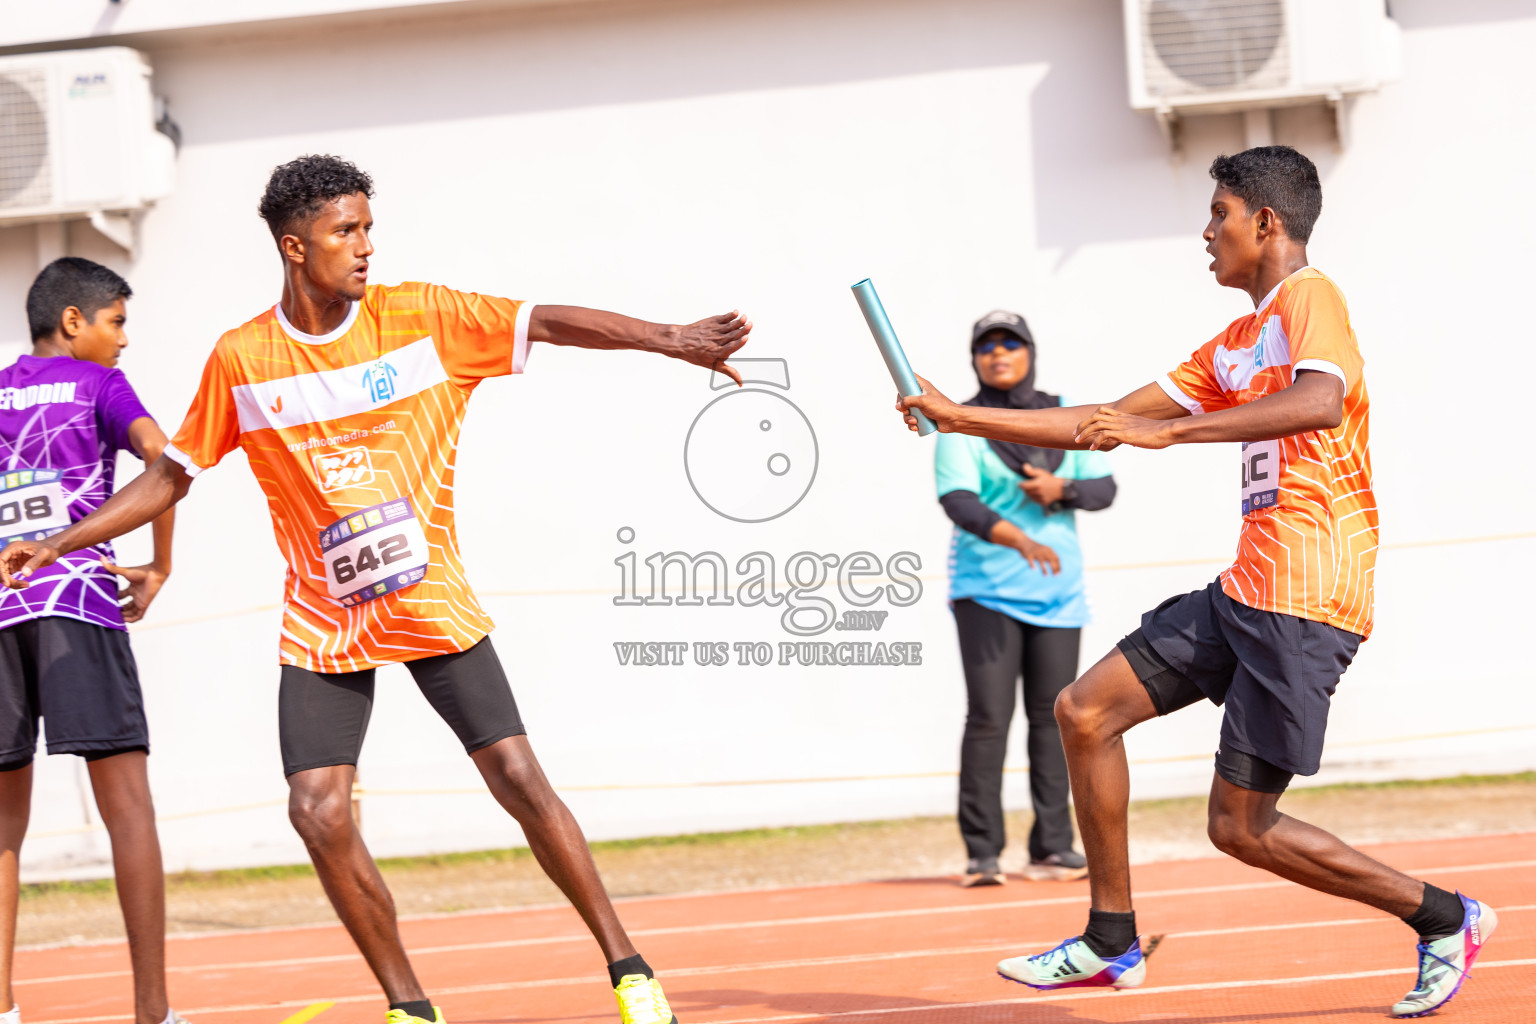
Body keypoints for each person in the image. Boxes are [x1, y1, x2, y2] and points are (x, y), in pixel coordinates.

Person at [0, 156, 753, 1024]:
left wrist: (671, 340)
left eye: (368, 229)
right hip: (325, 622)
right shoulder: (244, 358)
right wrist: (60, 540)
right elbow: (172, 474)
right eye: (344, 233)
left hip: (431, 603)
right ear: (295, 247)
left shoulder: (422, 316)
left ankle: (629, 967)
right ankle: (409, 1004)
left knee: (517, 778)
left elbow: (543, 319)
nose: (364, 249)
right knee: (316, 811)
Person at [896, 146, 1493, 1018]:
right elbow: (1104, 420)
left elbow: (1320, 401)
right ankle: (1110, 940)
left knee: (1240, 829)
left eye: (1218, 214)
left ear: (1267, 222)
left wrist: (1171, 438)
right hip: (1245, 589)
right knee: (1084, 710)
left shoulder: (1309, 298)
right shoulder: (1237, 341)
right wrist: (958, 413)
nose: (1205, 233)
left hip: (1308, 600)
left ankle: (1446, 918)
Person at [0, 259, 181, 1024]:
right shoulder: (100, 387)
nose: (124, 338)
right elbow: (167, 461)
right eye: (116, 321)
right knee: (129, 810)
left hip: (3, 615)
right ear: (72, 322)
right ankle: (152, 1012)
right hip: (77, 603)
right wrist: (159, 566)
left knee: (5, 823)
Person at [936, 310, 1115, 887]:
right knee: (989, 718)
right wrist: (1020, 538)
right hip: (986, 592)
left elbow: (1103, 486)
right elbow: (959, 500)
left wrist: (1059, 489)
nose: (999, 353)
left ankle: (1053, 847)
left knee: (1056, 718)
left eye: (1011, 343)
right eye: (987, 346)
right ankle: (983, 853)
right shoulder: (962, 423)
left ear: (1030, 352)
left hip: (1057, 596)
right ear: (976, 359)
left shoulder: (1066, 419)